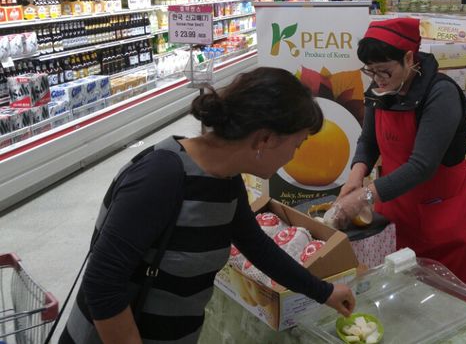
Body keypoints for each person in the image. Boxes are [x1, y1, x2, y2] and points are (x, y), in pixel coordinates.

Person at [59, 67, 355, 344]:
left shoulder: (225, 179)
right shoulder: (160, 176)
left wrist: (324, 292)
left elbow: (257, 247)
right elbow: (102, 285)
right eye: (297, 144)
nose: (294, 156)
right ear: (264, 139)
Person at [333, 18, 466, 297]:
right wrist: (356, 176)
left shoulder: (440, 94)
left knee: (451, 294)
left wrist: (365, 196)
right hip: (396, 204)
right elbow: (368, 140)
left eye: (384, 71)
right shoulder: (380, 89)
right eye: (370, 72)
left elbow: (422, 166)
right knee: (405, 290)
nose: (378, 80)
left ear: (409, 58)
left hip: (441, 212)